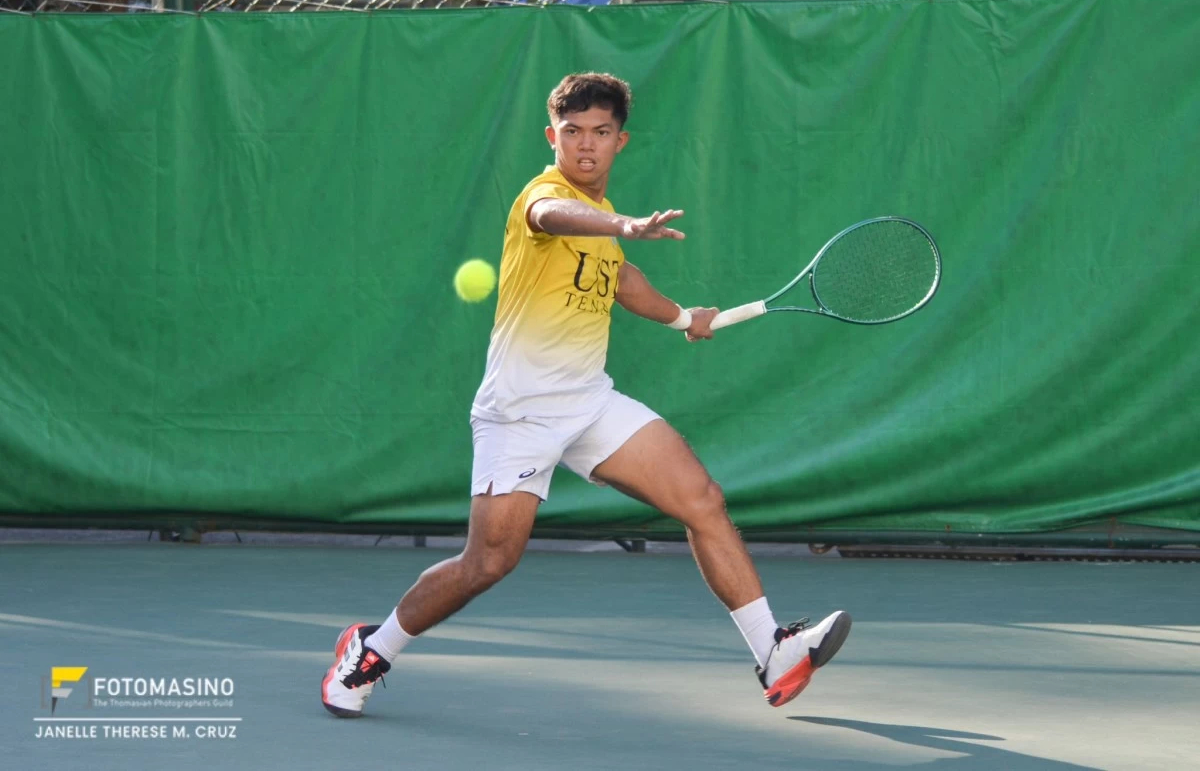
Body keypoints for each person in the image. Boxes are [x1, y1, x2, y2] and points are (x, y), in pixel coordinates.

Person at [322, 72, 850, 718]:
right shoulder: (543, 199)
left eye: (600, 133)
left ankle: (773, 650)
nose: (586, 146)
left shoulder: (603, 227)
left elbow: (623, 282)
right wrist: (623, 223)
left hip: (590, 402)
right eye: (572, 133)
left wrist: (687, 319)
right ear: (553, 137)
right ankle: (370, 650)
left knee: (703, 501)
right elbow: (555, 216)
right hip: (519, 414)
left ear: (620, 141)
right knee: (487, 563)